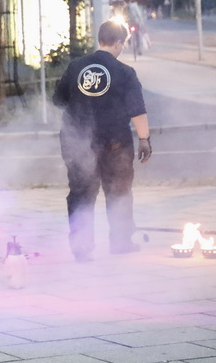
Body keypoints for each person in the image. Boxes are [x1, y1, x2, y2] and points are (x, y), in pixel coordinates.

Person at [52, 19, 152, 262]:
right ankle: (120, 242)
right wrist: (144, 139)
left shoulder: (76, 67)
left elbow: (58, 100)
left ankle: (81, 248)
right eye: (123, 44)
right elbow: (137, 110)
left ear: (100, 40)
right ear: (118, 43)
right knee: (119, 192)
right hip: (115, 142)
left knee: (81, 194)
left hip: (77, 142)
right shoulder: (125, 72)